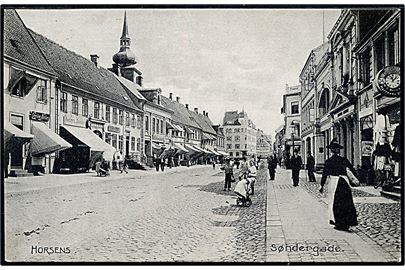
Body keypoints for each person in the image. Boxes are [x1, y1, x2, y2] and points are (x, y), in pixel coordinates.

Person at [319, 138, 358, 232]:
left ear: (331, 150)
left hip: (334, 183)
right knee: (346, 202)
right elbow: (352, 170)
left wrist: (322, 185)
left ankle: (338, 222)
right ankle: (347, 222)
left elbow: (324, 174)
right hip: (344, 182)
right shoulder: (344, 160)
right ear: (338, 150)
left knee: (335, 202)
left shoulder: (329, 161)